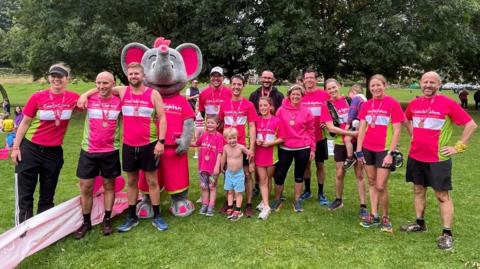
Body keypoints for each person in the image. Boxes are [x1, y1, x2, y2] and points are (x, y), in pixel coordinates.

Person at [78, 62, 168, 232]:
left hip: (149, 144)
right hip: (128, 145)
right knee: (132, 182)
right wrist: (84, 95)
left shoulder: (153, 94)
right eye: (131, 74)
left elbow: (162, 118)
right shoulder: (122, 91)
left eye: (137, 74)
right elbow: (101, 88)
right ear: (128, 76)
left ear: (143, 76)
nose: (134, 76)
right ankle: (132, 216)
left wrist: (161, 142)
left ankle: (157, 216)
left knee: (152, 181)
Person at [401, 71, 477, 250]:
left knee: (442, 195)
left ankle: (447, 233)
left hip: (438, 158)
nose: (428, 85)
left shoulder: (448, 103)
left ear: (439, 85)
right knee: (418, 189)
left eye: (432, 82)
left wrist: (458, 147)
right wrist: (413, 135)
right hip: (416, 155)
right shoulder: (415, 103)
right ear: (420, 83)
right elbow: (406, 118)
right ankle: (420, 224)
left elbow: (471, 125)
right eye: (425, 82)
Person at [11, 63, 80, 224]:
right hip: (30, 149)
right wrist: (15, 147)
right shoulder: (37, 97)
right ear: (49, 78)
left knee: (47, 195)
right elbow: (25, 123)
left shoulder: (73, 98)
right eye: (53, 76)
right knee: (25, 194)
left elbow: (93, 100)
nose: (56, 79)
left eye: (60, 76)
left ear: (67, 79)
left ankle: (42, 230)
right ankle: (22, 231)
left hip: (53, 153)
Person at [73, 72, 122, 239]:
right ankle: (86, 222)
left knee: (109, 186)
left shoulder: (119, 100)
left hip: (110, 150)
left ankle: (107, 220)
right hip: (89, 150)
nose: (101, 87)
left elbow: (127, 89)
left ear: (112, 84)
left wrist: (89, 91)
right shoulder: (89, 100)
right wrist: (87, 94)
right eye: (98, 83)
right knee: (85, 187)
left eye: (105, 83)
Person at [355, 74, 404, 233]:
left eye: (378, 85)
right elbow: (362, 128)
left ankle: (385, 216)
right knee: (371, 181)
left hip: (384, 150)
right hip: (367, 149)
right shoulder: (366, 104)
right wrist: (358, 149)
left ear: (385, 85)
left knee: (381, 185)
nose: (375, 88)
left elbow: (397, 130)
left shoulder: (393, 104)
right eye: (372, 86)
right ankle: (374, 214)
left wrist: (391, 152)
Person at [323, 79, 367, 220]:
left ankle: (363, 206)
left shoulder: (351, 100)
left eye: (334, 87)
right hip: (340, 143)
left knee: (359, 174)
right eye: (329, 89)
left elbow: (363, 117)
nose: (332, 90)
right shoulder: (327, 106)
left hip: (357, 142)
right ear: (326, 91)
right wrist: (351, 134)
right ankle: (338, 200)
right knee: (339, 173)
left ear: (339, 86)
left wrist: (357, 134)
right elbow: (330, 127)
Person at [270, 84, 315, 213]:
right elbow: (276, 127)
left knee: (299, 175)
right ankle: (277, 199)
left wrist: (312, 149)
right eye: (293, 94)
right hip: (285, 147)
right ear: (289, 95)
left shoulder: (307, 111)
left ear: (302, 97)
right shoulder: (281, 110)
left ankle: (297, 200)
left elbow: (311, 131)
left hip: (303, 146)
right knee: (279, 175)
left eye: (298, 95)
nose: (295, 96)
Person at [218, 74, 257, 217]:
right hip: (228, 146)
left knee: (247, 174)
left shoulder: (249, 105)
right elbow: (220, 124)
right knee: (229, 172)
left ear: (243, 86)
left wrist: (252, 147)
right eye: (233, 84)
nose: (236, 87)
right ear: (230, 85)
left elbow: (252, 126)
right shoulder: (224, 104)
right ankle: (230, 202)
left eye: (239, 84)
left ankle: (248, 204)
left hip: (243, 145)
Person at [298, 68, 331, 205]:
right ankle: (307, 190)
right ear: (303, 80)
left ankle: (321, 192)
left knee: (320, 165)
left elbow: (332, 113)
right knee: (306, 165)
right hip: (304, 139)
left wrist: (328, 123)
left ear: (316, 79)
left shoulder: (324, 95)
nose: (309, 80)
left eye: (312, 77)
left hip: (320, 138)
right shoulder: (299, 95)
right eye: (307, 78)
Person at [254, 97, 283, 220]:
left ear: (270, 106)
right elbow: (252, 135)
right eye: (261, 106)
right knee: (263, 180)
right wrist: (256, 140)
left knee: (268, 178)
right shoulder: (256, 120)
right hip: (259, 154)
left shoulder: (277, 121)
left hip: (272, 155)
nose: (263, 108)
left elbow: (282, 138)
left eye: (265, 105)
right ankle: (266, 206)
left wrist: (270, 144)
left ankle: (264, 200)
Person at [193, 116, 224, 216]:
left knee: (212, 187)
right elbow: (196, 143)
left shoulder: (219, 137)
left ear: (217, 125)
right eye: (208, 122)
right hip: (203, 167)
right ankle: (204, 204)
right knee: (204, 187)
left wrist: (217, 167)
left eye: (212, 123)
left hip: (213, 168)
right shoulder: (204, 134)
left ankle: (211, 206)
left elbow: (220, 152)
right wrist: (182, 143)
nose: (210, 125)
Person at [221, 127, 250, 221]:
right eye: (230, 138)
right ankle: (230, 207)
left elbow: (249, 153)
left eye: (234, 138)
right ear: (226, 139)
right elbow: (224, 158)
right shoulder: (225, 147)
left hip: (239, 174)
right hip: (229, 173)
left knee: (238, 192)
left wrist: (250, 157)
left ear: (237, 137)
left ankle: (238, 210)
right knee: (229, 191)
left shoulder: (241, 147)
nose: (232, 140)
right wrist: (221, 166)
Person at [343, 84, 367, 169]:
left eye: (350, 94)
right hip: (364, 123)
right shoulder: (364, 99)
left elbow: (352, 111)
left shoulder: (356, 98)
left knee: (347, 139)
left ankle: (350, 157)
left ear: (353, 92)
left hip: (357, 122)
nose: (350, 97)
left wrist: (348, 123)